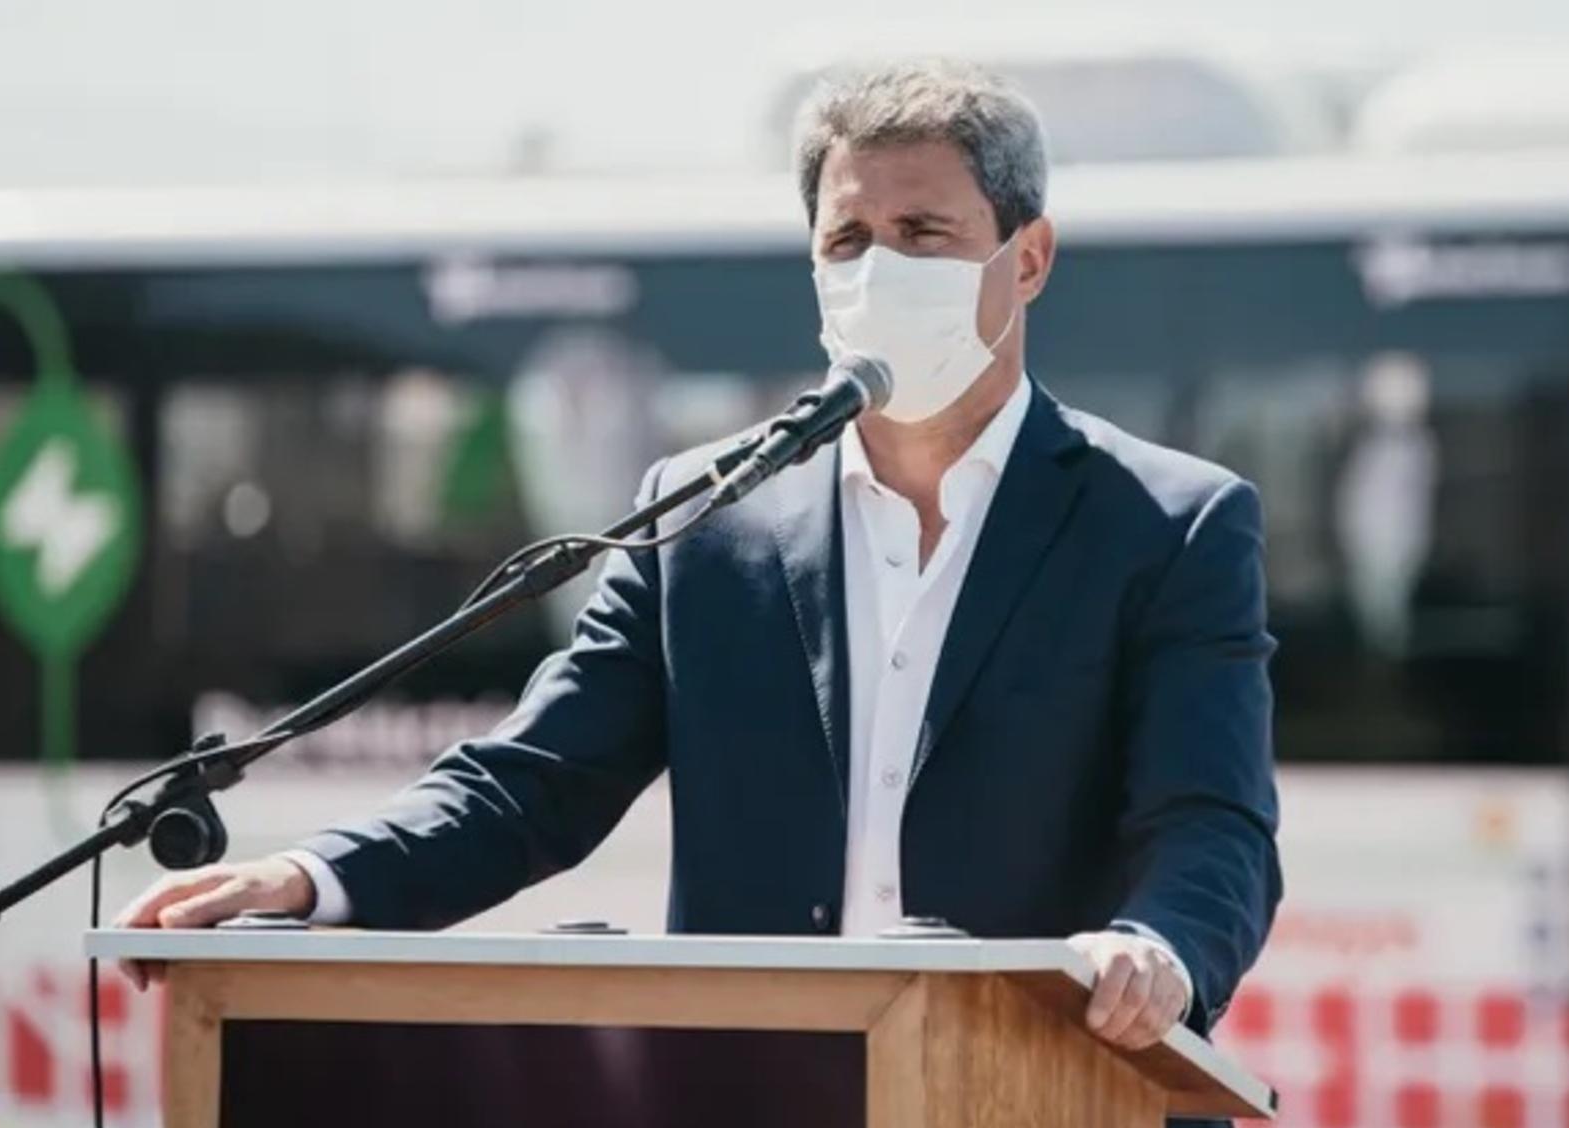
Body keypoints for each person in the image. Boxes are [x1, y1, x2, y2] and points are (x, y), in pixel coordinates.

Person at [117, 58, 1281, 1056]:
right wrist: (319, 879)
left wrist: (1153, 951)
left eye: (923, 233)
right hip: (767, 1080)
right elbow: (534, 781)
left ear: (1026, 260)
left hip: (1043, 1077)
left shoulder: (1168, 523)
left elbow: (1210, 825)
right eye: (848, 238)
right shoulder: (707, 515)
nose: (878, 268)